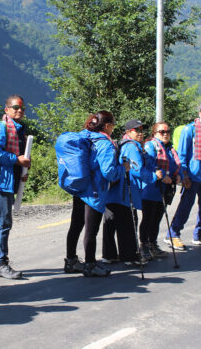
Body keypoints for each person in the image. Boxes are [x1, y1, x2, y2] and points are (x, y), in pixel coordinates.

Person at [63, 111, 129, 277]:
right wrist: (123, 168)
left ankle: (71, 261)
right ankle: (90, 264)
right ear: (107, 126)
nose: (113, 128)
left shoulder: (85, 136)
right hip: (94, 192)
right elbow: (108, 172)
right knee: (91, 230)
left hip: (79, 186)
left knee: (76, 226)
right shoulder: (105, 144)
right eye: (113, 125)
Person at [0, 95, 31, 279]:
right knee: (3, 223)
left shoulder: (18, 130)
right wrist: (16, 160)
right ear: (7, 109)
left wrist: (23, 164)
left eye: (22, 108)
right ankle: (0, 263)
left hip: (6, 179)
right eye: (15, 107)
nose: (19, 110)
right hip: (0, 180)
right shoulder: (1, 127)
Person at [165, 102, 201, 250]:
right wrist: (184, 176)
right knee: (186, 205)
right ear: (199, 113)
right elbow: (182, 155)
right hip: (192, 175)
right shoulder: (189, 130)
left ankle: (200, 235)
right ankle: (173, 234)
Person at [102, 119, 151, 267]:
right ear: (129, 132)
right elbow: (138, 170)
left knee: (110, 224)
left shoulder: (122, 144)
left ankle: (109, 256)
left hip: (111, 191)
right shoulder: (131, 147)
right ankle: (129, 257)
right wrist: (154, 177)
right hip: (124, 192)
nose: (141, 133)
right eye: (137, 130)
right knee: (127, 225)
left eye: (142, 130)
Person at [140, 122, 182, 260]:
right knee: (148, 218)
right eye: (161, 132)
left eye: (168, 131)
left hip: (163, 189)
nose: (165, 134)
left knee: (157, 217)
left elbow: (176, 164)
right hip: (151, 188)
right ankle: (144, 246)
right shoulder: (151, 145)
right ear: (154, 133)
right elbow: (149, 163)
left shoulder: (169, 148)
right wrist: (163, 175)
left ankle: (153, 244)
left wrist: (177, 175)